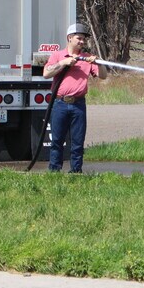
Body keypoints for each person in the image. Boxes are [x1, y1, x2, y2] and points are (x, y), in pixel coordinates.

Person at [43, 23, 99, 174]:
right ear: (69, 38)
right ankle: (54, 171)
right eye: (79, 38)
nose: (82, 41)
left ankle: (76, 171)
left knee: (77, 142)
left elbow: (103, 76)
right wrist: (63, 63)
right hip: (60, 103)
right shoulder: (58, 56)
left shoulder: (87, 59)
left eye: (84, 39)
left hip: (78, 104)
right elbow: (46, 73)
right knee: (57, 141)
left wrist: (98, 63)